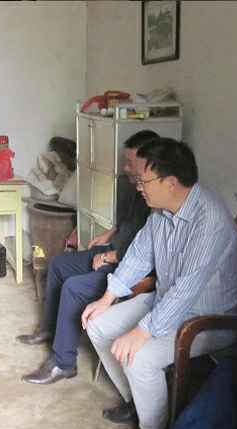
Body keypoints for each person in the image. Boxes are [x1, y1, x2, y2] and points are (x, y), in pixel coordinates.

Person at [83, 138, 237, 429]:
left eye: (144, 181)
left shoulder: (210, 221)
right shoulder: (159, 212)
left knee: (139, 357)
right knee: (98, 325)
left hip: (207, 318)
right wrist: (106, 298)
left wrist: (142, 331)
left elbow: (188, 289)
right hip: (167, 300)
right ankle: (137, 401)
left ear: (170, 183)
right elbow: (138, 256)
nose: (139, 188)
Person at [18, 130, 157, 385]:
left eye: (130, 162)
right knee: (58, 264)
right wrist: (109, 233)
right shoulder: (134, 187)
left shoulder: (156, 198)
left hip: (128, 265)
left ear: (148, 163)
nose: (125, 167)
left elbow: (147, 252)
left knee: (74, 287)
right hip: (115, 250)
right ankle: (49, 329)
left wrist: (111, 256)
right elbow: (128, 223)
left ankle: (63, 363)